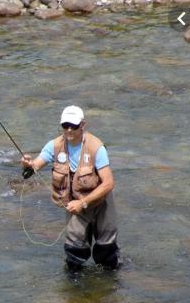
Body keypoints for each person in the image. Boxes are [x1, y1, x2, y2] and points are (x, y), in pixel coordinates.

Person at [21, 105, 120, 270]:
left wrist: (83, 203)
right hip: (75, 203)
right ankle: (75, 291)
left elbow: (109, 183)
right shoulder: (53, 146)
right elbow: (34, 167)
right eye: (65, 125)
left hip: (101, 201)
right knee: (74, 252)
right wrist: (27, 165)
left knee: (106, 251)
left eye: (73, 126)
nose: (68, 130)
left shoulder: (96, 148)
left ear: (82, 125)